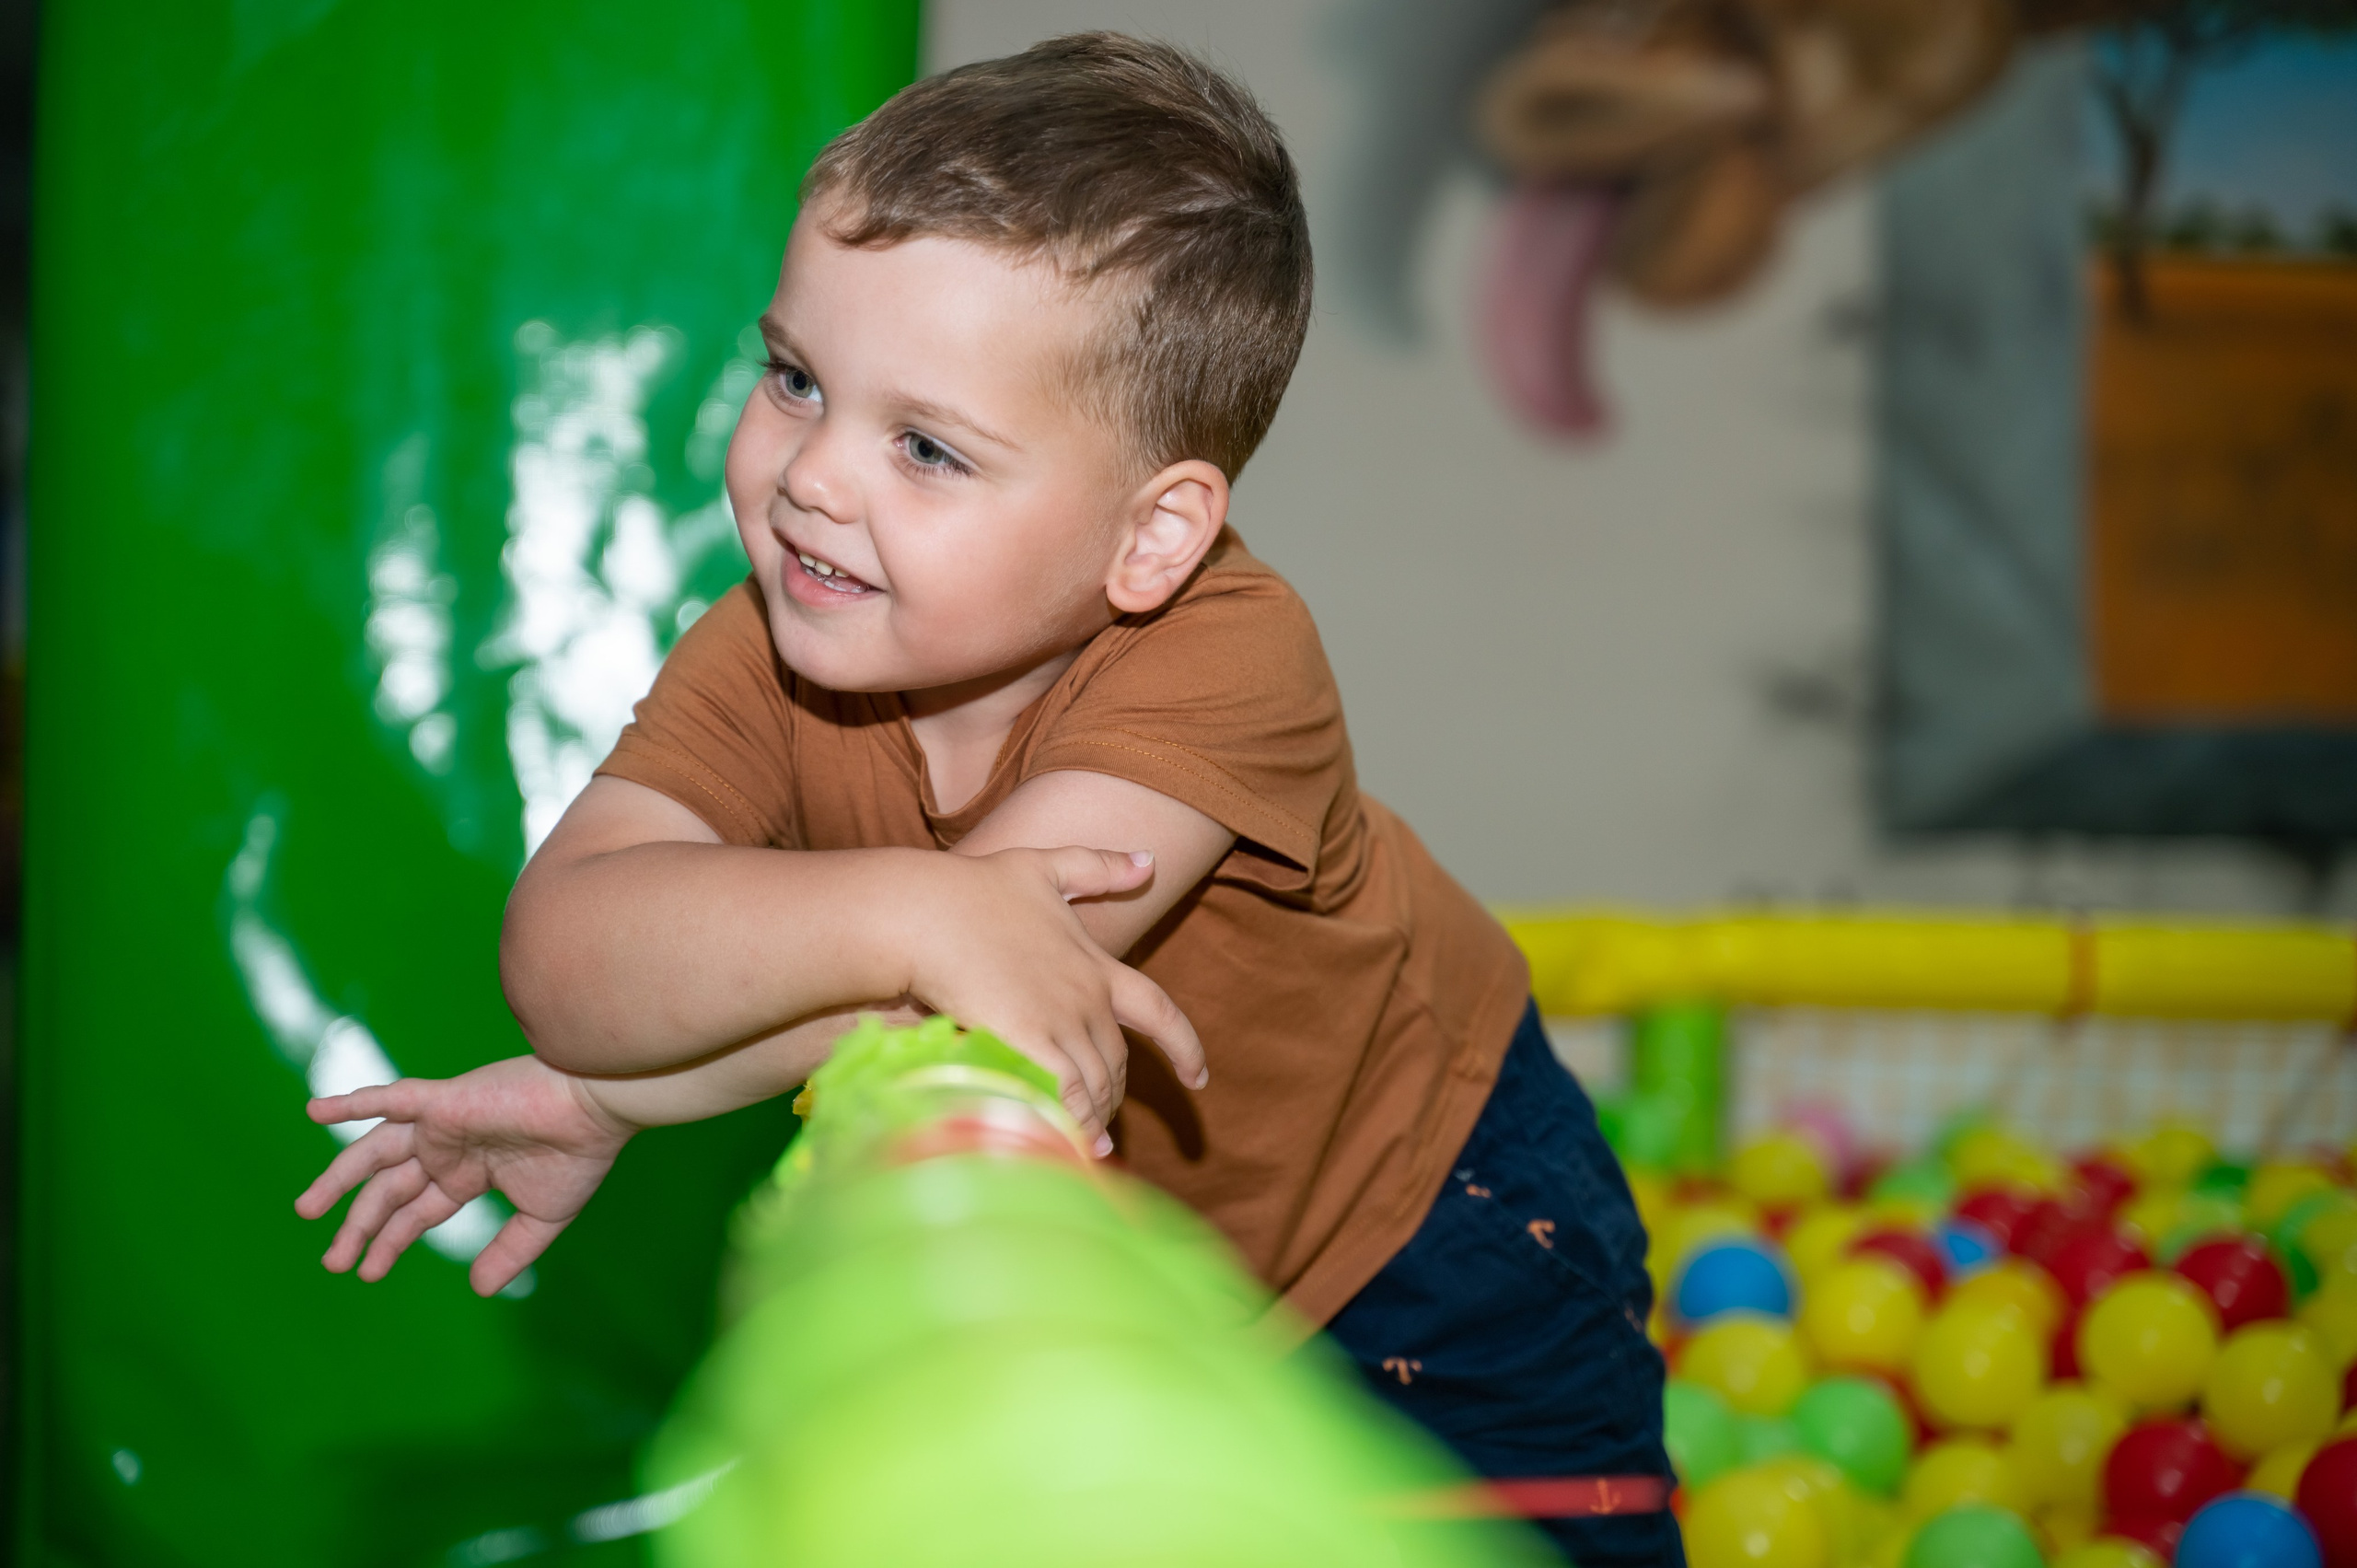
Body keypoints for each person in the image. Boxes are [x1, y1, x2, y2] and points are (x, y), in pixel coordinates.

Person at [295, 34, 1678, 1565]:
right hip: (1129, 1285)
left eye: (927, 447)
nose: (812, 477)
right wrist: (660, 1039)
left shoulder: (1228, 652)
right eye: (795, 379)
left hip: (1424, 1228)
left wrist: (637, 1079)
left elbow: (981, 985)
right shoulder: (768, 643)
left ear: (1151, 539)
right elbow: (567, 953)